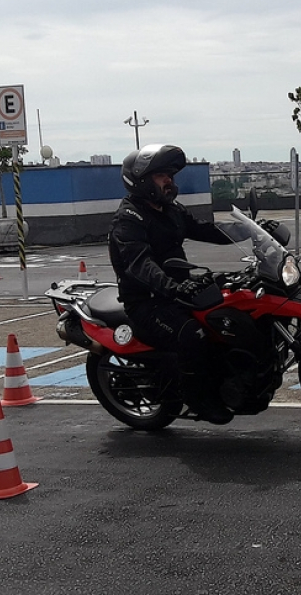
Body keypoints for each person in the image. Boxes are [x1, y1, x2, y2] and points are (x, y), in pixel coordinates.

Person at [108, 143, 237, 424]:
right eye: (161, 175)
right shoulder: (128, 220)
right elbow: (140, 264)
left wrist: (250, 230)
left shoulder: (170, 209)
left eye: (170, 175)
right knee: (192, 335)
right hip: (147, 302)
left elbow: (204, 229)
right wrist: (173, 287)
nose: (169, 181)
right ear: (141, 181)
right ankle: (198, 399)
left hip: (178, 292)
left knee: (229, 316)